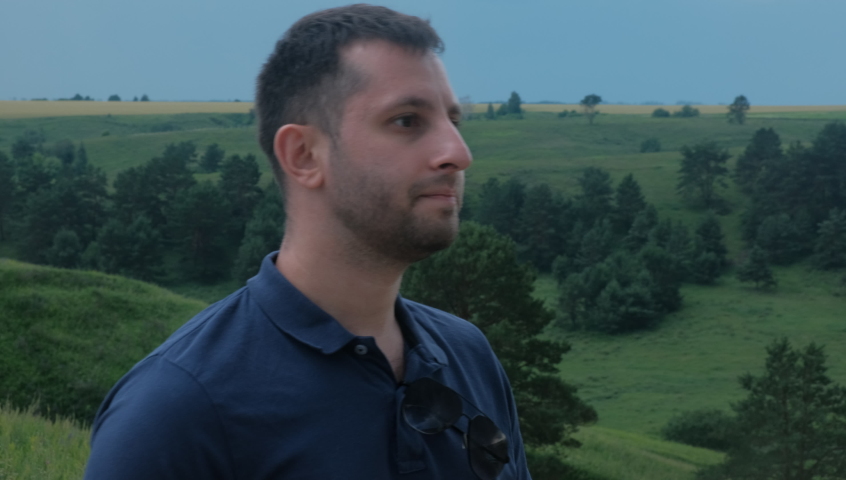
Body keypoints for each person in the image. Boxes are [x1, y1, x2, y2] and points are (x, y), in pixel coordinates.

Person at [84, 5, 531, 479]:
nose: (458, 154)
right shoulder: (179, 408)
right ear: (303, 155)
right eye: (406, 121)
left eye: (453, 122)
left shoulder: (467, 354)